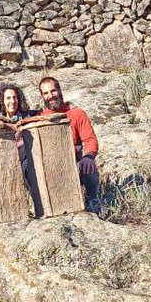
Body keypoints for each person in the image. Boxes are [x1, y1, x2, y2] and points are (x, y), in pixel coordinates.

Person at [37, 76, 101, 212]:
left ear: (60, 91)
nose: (50, 96)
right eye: (46, 93)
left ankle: (92, 200)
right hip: (50, 169)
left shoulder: (76, 113)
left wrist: (88, 156)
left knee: (89, 165)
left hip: (73, 164)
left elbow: (90, 140)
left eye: (53, 91)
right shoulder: (39, 117)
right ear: (42, 96)